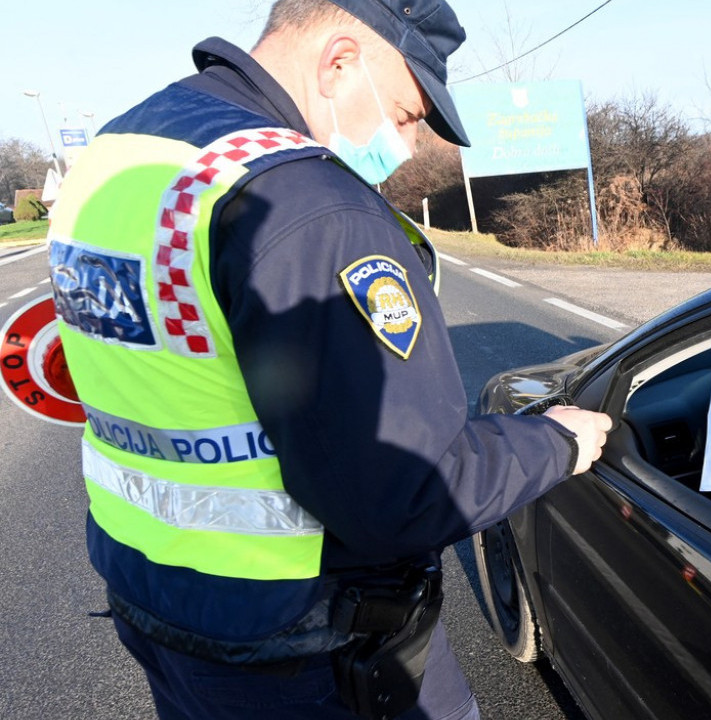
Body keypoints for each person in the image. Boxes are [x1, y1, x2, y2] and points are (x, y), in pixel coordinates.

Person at [47, 1, 611, 718]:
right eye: (406, 114)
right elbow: (403, 491)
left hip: (155, 598)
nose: (406, 147)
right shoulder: (305, 204)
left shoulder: (120, 148)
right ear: (339, 61)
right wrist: (555, 442)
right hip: (306, 647)